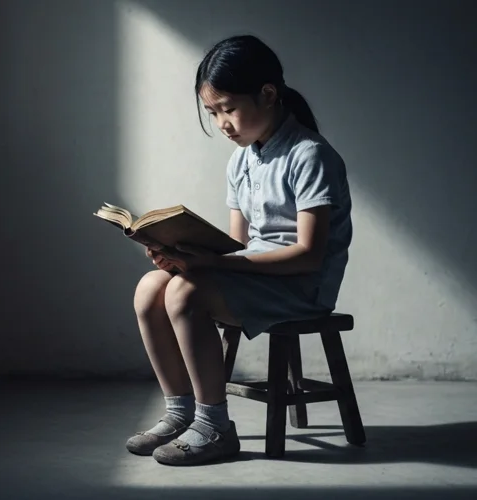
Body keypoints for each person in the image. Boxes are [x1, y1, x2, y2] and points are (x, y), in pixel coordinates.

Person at [125, 34, 353, 466]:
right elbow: (236, 249)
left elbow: (309, 255)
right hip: (257, 275)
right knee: (151, 286)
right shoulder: (242, 159)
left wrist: (209, 265)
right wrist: (179, 254)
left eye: (227, 108)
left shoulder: (311, 155)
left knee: (185, 292)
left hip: (301, 286)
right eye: (213, 113)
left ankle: (215, 427)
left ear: (267, 94)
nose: (222, 123)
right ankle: (181, 413)